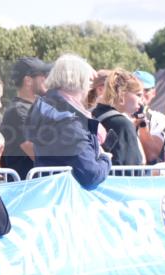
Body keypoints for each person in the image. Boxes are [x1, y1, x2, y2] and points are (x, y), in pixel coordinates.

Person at [25, 54, 111, 189]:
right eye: (88, 81)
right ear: (80, 81)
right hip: (67, 199)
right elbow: (90, 175)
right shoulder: (67, 120)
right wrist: (105, 158)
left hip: (49, 193)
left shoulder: (43, 107)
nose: (89, 87)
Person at [0, 57, 51, 179]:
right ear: (28, 80)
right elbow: (34, 152)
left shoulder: (39, 108)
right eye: (43, 75)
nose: (47, 79)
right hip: (25, 189)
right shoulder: (18, 112)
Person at [92, 70, 147, 166]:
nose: (141, 102)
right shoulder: (123, 124)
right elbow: (137, 165)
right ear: (121, 93)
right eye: (138, 95)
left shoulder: (92, 114)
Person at [132, 70, 165, 164]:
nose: (140, 94)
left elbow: (151, 155)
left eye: (146, 90)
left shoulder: (158, 118)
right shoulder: (117, 115)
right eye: (134, 90)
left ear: (153, 93)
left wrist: (142, 123)